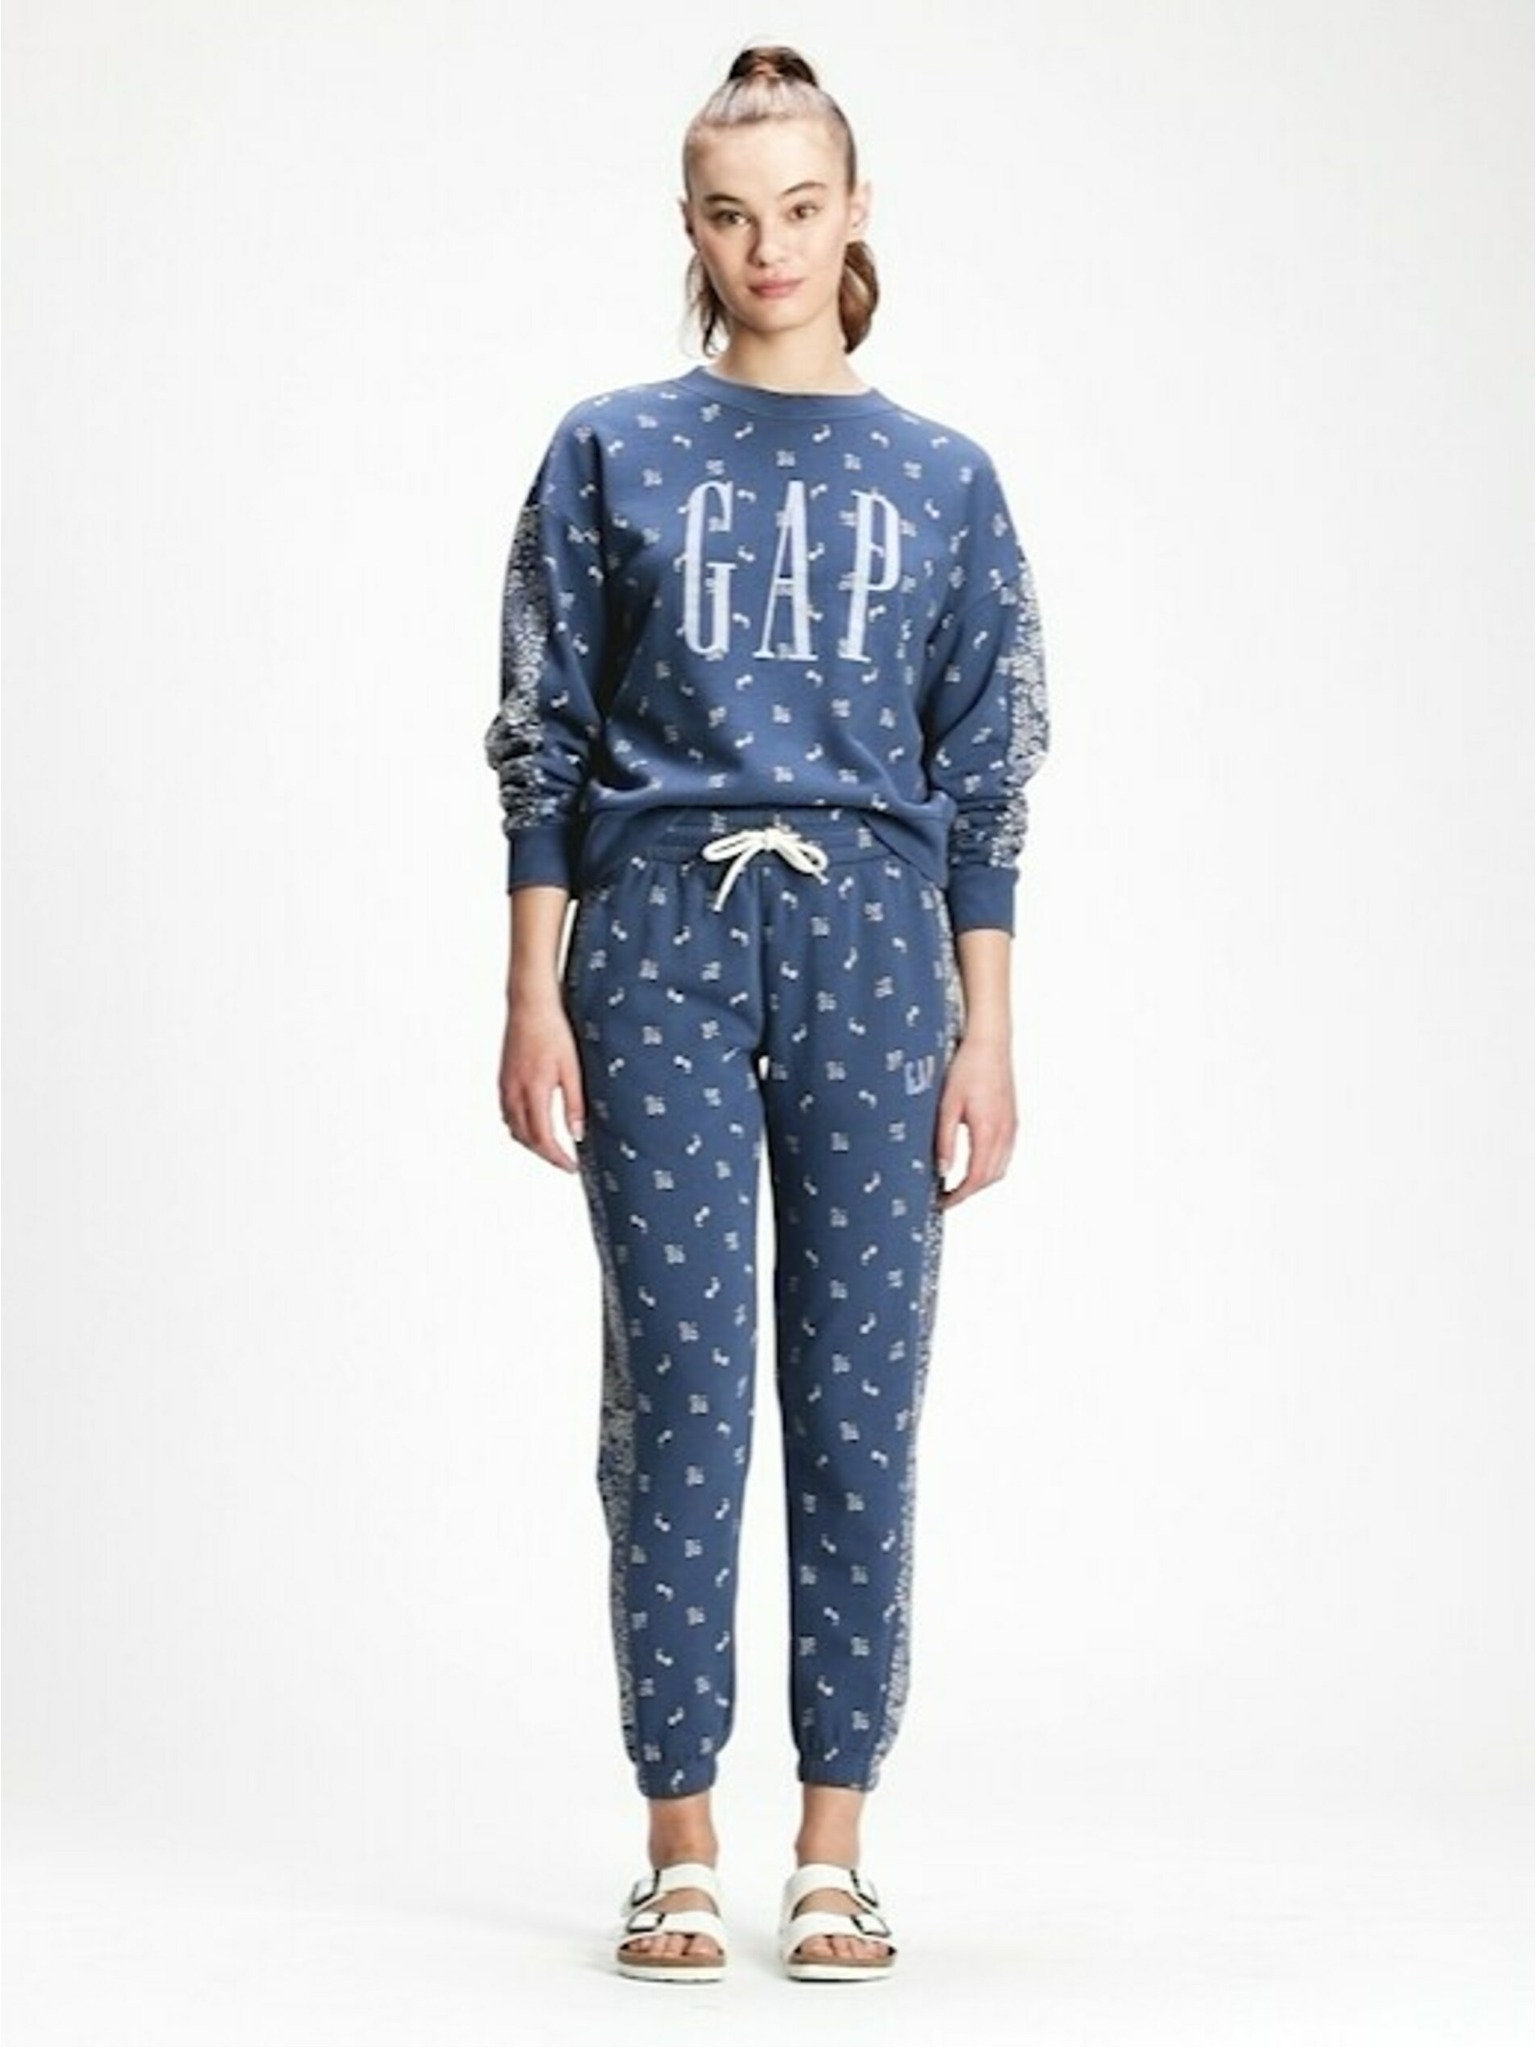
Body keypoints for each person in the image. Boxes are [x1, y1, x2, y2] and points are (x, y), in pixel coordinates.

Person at [484, 43, 1049, 1984]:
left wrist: (989, 1029)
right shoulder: (610, 448)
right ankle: (675, 1838)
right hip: (654, 937)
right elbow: (544, 732)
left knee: (860, 1394)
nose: (769, 246)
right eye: (732, 214)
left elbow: (987, 773)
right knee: (679, 1392)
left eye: (802, 207)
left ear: (855, 210)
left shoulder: (944, 478)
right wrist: (530, 990)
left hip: (879, 946)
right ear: (691, 227)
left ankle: (834, 1842)